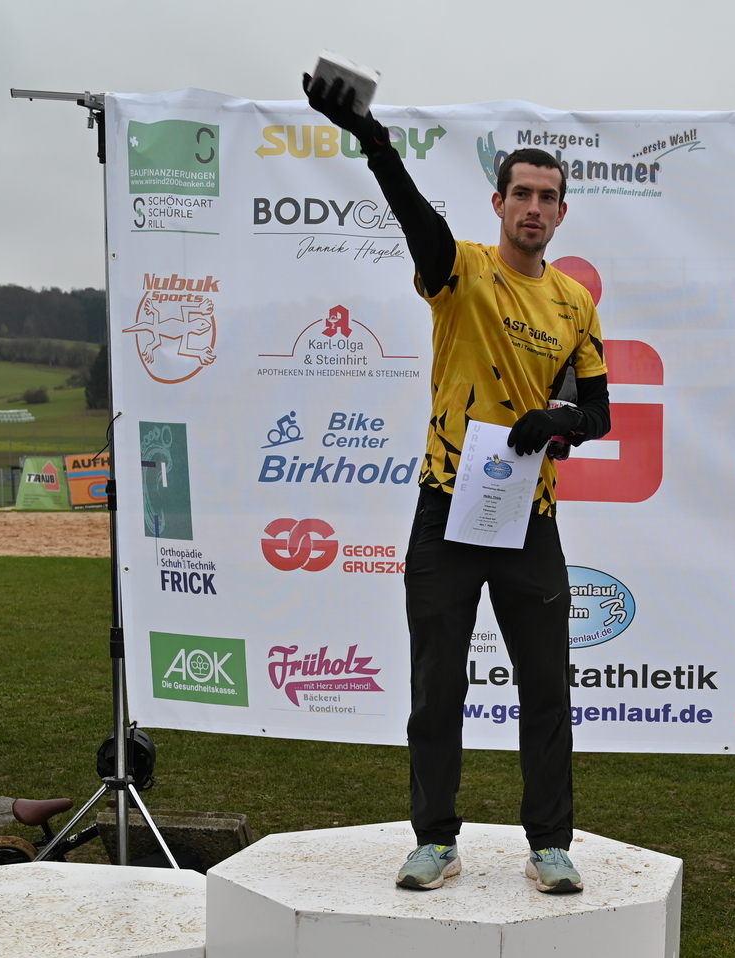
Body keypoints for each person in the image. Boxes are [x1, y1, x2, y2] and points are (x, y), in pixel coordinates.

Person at [304, 74, 611, 895]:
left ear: (562, 212)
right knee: (437, 686)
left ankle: (550, 844)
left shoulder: (576, 303)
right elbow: (415, 218)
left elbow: (599, 413)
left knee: (545, 689)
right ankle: (435, 840)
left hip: (528, 516)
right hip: (446, 507)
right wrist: (373, 141)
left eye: (548, 197)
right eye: (522, 194)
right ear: (498, 203)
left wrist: (561, 423)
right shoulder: (461, 271)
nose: (534, 208)